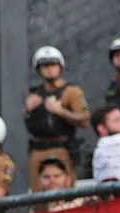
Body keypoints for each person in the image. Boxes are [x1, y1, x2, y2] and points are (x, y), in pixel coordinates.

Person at [23, 46, 90, 191]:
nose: (49, 69)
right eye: (45, 66)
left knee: (65, 191)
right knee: (38, 193)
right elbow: (29, 124)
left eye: (53, 65)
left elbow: (84, 121)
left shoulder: (71, 91)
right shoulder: (34, 94)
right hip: (38, 150)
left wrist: (60, 111)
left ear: (60, 67)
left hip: (62, 148)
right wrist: (28, 111)